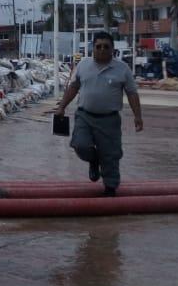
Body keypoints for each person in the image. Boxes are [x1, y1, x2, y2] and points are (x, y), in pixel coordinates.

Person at [54, 30, 144, 195]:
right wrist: (62, 107)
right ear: (92, 48)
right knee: (80, 145)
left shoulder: (122, 69)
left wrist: (138, 117)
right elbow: (74, 87)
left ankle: (110, 189)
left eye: (106, 46)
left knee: (110, 156)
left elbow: (132, 93)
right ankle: (94, 160)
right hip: (84, 116)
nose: (102, 49)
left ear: (112, 49)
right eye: (98, 46)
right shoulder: (83, 65)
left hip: (109, 120)